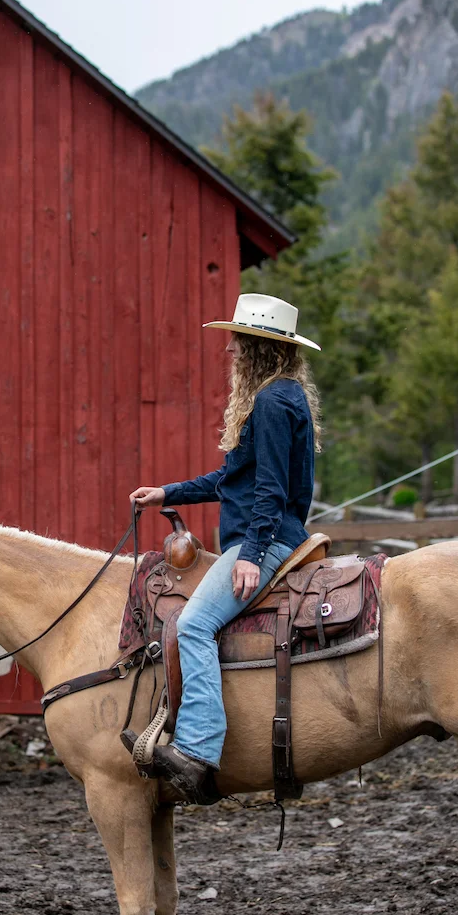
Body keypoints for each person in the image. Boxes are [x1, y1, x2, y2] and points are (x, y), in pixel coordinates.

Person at [129, 293, 322, 803]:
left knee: (193, 624)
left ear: (259, 348)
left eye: (240, 342)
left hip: (269, 540)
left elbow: (270, 492)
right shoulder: (282, 396)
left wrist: (252, 558)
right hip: (267, 536)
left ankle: (196, 749)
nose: (232, 350)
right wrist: (167, 494)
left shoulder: (272, 403)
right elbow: (233, 478)